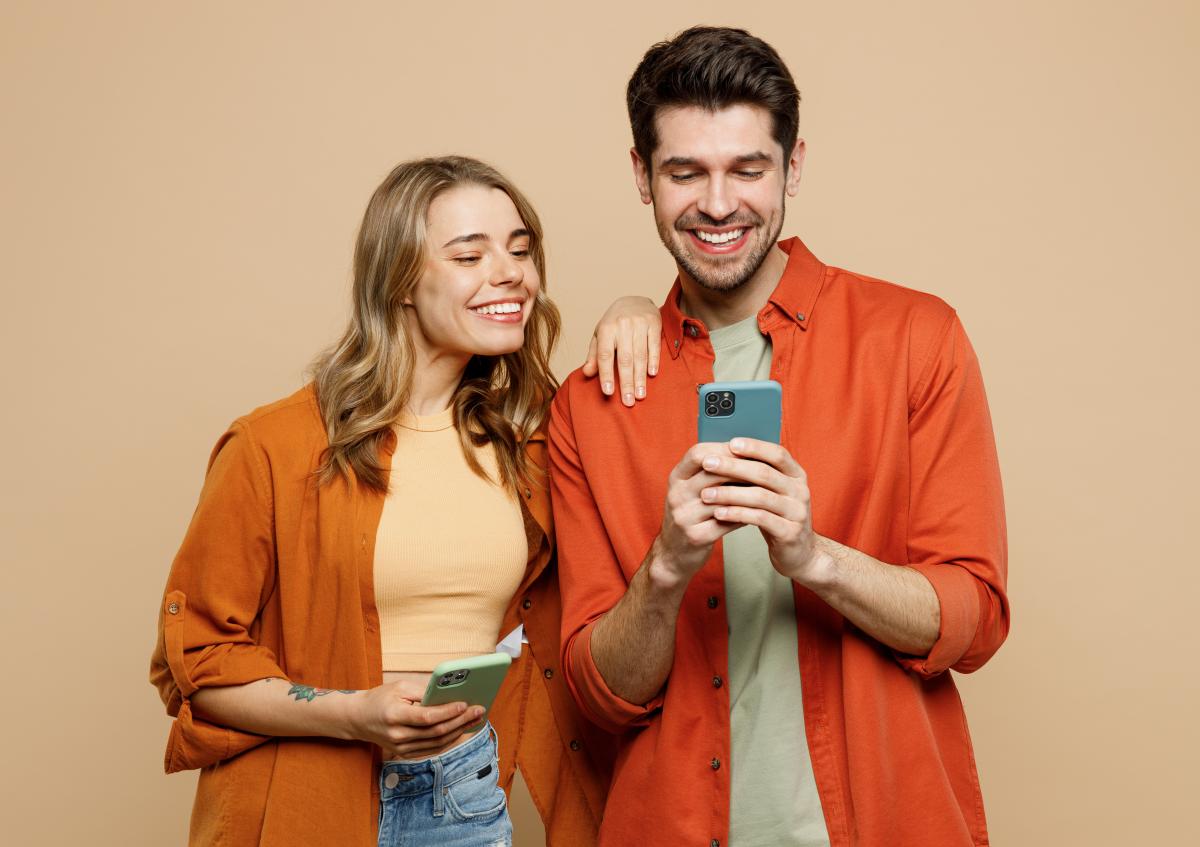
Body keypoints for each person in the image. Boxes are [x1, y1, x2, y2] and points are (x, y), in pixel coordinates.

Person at [550, 27, 1009, 847]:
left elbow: (973, 619)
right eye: (685, 171)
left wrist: (814, 559)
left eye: (748, 169)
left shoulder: (916, 338)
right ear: (641, 176)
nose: (718, 203)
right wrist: (664, 570)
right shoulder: (592, 400)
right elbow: (596, 691)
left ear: (793, 167)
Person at [149, 155, 661, 846]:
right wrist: (355, 712)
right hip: (310, 802)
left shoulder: (536, 438)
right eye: (469, 254)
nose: (509, 272)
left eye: (519, 248)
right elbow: (198, 667)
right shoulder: (272, 447)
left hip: (465, 795)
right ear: (400, 283)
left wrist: (636, 308)